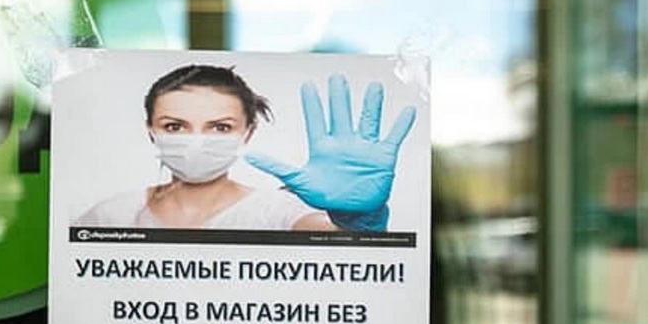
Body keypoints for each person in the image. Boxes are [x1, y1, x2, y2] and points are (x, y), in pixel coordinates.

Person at [74, 64, 416, 232]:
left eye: (220, 127)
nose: (197, 141)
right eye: (175, 126)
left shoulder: (275, 212)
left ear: (248, 132)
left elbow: (333, 246)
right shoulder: (111, 216)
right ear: (151, 130)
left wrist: (358, 225)